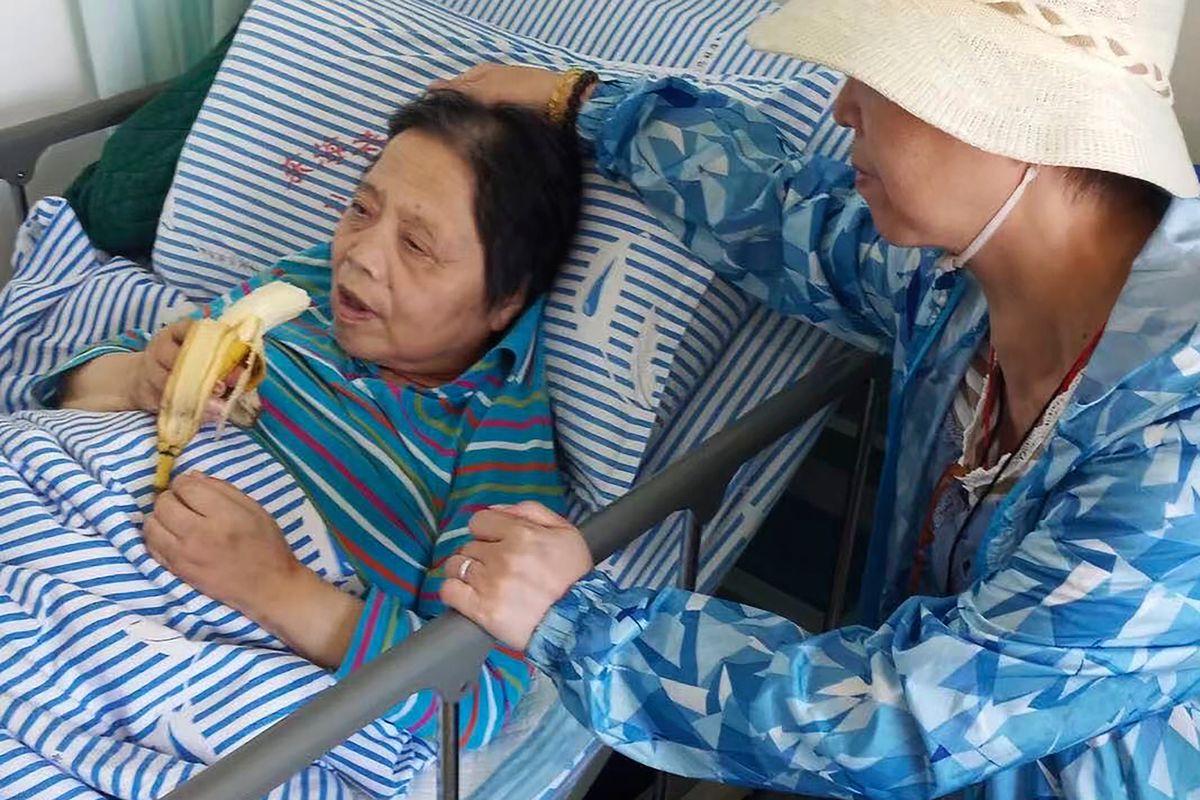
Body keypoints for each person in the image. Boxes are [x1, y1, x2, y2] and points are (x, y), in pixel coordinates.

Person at [434, 1, 1200, 796]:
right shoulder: (961, 282)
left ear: (1017, 124)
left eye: (883, 77)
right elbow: (782, 211)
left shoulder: (1176, 455)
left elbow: (901, 721)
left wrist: (577, 622)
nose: (842, 108)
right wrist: (586, 105)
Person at [37, 90, 582, 750]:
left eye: (415, 244)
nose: (356, 255)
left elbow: (473, 694)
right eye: (360, 209)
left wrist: (280, 590)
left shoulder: (495, 439)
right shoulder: (302, 290)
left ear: (506, 300)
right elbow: (65, 389)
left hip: (128, 613)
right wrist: (140, 379)